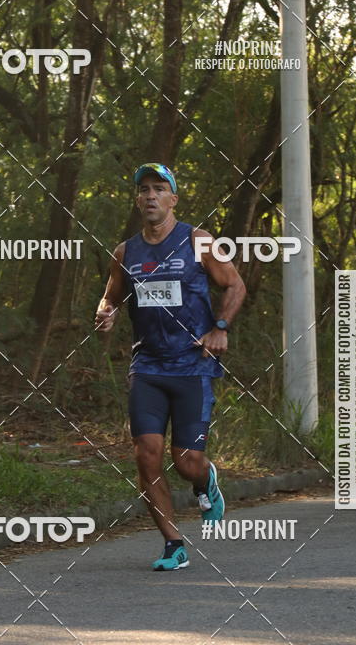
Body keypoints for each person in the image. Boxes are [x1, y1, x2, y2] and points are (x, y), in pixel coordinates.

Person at [95, 163, 246, 571]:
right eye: (143, 189)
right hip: (147, 367)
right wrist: (106, 312)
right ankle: (173, 543)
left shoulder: (198, 242)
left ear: (173, 199)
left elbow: (235, 284)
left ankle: (204, 479)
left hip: (193, 365)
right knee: (147, 455)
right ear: (137, 198)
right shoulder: (126, 252)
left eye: (159, 189)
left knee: (185, 462)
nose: (150, 196)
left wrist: (220, 328)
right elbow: (110, 297)